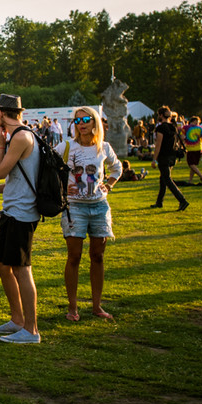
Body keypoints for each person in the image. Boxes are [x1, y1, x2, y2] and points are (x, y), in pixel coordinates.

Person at [0, 94, 42, 344]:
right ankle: (17, 319)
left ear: (1, 113)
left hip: (22, 214)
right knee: (3, 265)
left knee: (22, 269)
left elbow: (0, 171)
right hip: (13, 210)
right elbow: (19, 177)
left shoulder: (21, 137)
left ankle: (31, 330)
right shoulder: (21, 136)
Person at [56, 106, 122, 322]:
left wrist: (109, 185)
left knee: (98, 256)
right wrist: (62, 188)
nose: (81, 123)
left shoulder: (104, 147)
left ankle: (96, 306)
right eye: (77, 120)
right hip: (74, 207)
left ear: (95, 122)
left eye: (86, 119)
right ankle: (73, 307)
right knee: (74, 256)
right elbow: (48, 168)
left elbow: (117, 168)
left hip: (99, 207)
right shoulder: (66, 146)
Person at [150, 106, 188, 211]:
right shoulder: (173, 127)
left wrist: (154, 159)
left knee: (167, 179)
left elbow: (158, 145)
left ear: (160, 115)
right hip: (172, 156)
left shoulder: (161, 128)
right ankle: (159, 202)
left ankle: (182, 200)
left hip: (164, 156)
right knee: (163, 179)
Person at [182, 116, 202, 185]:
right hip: (199, 148)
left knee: (191, 164)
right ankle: (190, 181)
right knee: (194, 165)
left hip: (190, 148)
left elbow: (182, 137)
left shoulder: (185, 127)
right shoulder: (200, 128)